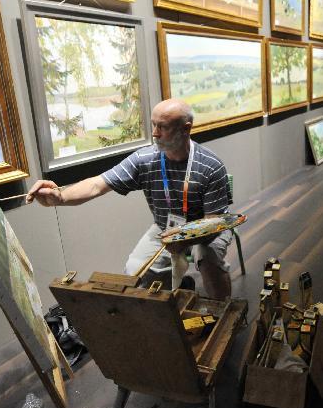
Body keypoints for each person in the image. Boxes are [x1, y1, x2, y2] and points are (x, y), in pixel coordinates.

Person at [25, 99, 234, 299]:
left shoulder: (210, 166)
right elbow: (98, 184)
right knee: (134, 271)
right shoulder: (144, 160)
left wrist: (184, 240)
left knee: (208, 261)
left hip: (206, 231)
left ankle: (226, 314)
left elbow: (213, 223)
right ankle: (178, 291)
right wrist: (60, 197)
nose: (154, 133)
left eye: (163, 127)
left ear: (185, 129)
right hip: (165, 229)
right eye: (153, 125)